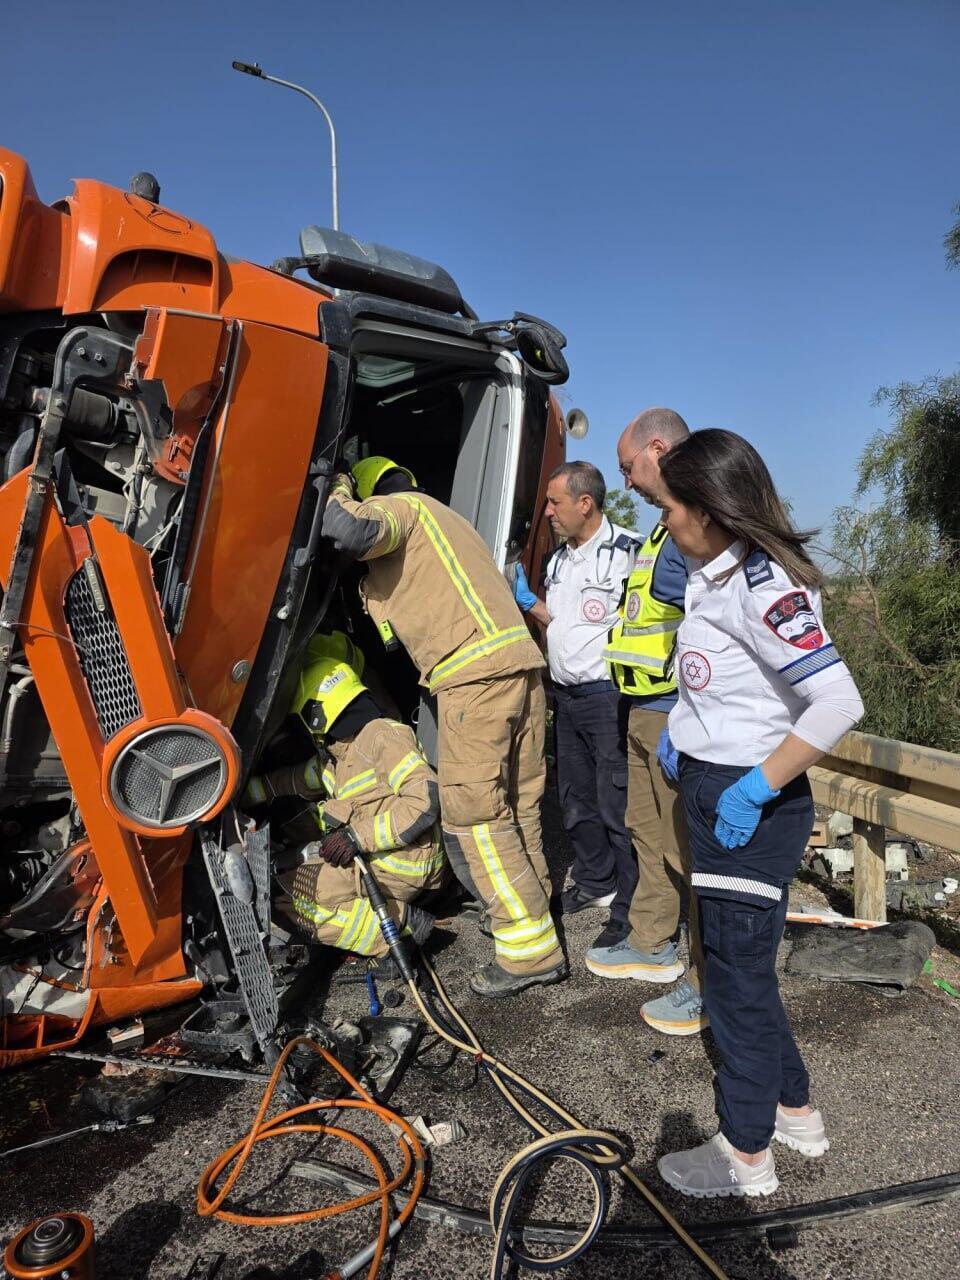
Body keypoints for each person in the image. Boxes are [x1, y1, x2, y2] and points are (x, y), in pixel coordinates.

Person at [652, 429, 864, 1198]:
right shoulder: (715, 574)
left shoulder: (761, 587)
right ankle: (794, 1111)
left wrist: (751, 785)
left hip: (749, 806)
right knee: (747, 975)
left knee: (735, 986)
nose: (664, 521)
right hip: (719, 784)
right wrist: (684, 736)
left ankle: (745, 1157)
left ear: (709, 509)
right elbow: (725, 687)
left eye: (671, 506)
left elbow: (839, 699)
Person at [321, 456, 564, 997]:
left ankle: (529, 952)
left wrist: (332, 484)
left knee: (476, 815)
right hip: (519, 667)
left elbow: (348, 529)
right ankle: (534, 910)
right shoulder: (448, 521)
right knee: (518, 807)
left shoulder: (401, 510)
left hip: (472, 678)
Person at [586, 408, 707, 1038]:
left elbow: (714, 631)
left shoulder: (698, 524)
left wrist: (689, 717)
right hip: (643, 709)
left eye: (629, 466)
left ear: (657, 448)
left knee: (690, 851)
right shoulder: (663, 531)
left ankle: (704, 978)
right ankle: (654, 943)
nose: (626, 482)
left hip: (673, 717)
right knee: (645, 832)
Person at [245, 630, 445, 970]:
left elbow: (425, 798)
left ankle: (399, 932)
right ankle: (395, 918)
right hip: (375, 859)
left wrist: (356, 837)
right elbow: (296, 779)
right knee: (283, 880)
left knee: (288, 897)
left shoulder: (382, 736)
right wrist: (245, 794)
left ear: (316, 714)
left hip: (404, 862)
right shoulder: (339, 756)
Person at [512, 461, 639, 948]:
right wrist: (530, 604)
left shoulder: (628, 552)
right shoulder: (559, 561)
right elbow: (561, 622)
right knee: (574, 800)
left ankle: (629, 909)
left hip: (608, 698)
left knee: (617, 803)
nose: (547, 513)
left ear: (585, 503)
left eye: (555, 503)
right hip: (564, 696)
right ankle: (595, 881)